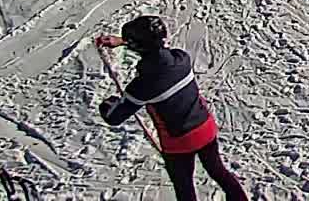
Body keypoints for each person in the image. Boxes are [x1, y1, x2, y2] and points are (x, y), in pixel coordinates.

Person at [95, 15, 250, 200]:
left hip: (178, 142)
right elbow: (156, 51)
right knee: (218, 171)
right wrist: (123, 42)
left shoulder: (142, 86)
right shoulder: (181, 59)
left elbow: (114, 117)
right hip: (205, 128)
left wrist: (109, 104)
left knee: (184, 187)